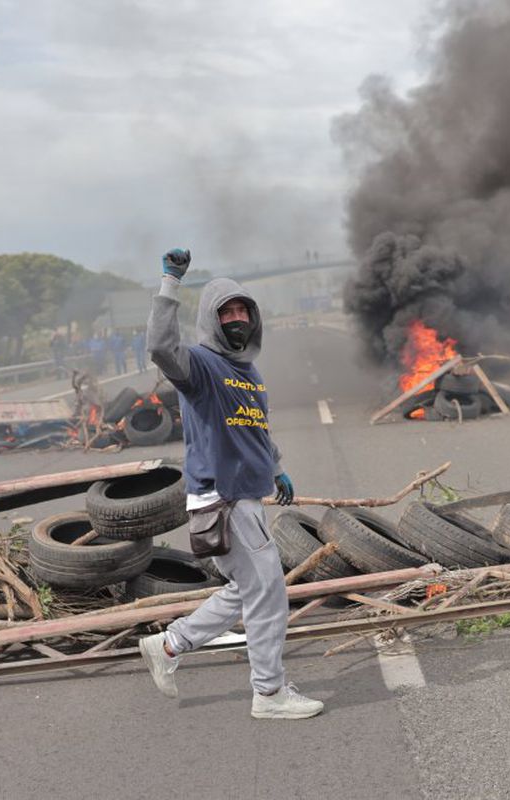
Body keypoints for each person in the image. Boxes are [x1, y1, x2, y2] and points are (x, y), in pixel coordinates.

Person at [141, 247, 320, 721]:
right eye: (227, 311)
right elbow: (161, 348)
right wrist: (169, 284)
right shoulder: (199, 366)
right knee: (268, 590)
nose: (237, 318)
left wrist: (275, 465)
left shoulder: (249, 373)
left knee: (247, 588)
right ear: (212, 319)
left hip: (247, 494)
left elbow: (255, 427)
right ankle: (269, 692)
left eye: (243, 310)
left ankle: (170, 645)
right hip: (222, 498)